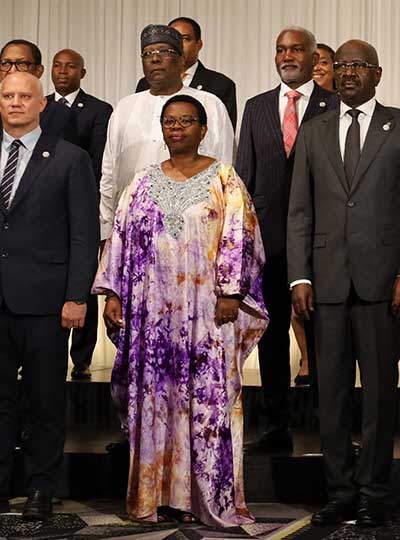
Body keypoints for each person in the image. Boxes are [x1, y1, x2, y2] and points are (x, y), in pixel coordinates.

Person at [93, 95, 266, 527]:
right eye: (170, 121)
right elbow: (119, 240)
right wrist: (113, 293)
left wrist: (231, 292)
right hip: (151, 318)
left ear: (203, 129)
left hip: (207, 313)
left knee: (207, 403)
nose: (177, 128)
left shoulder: (224, 179)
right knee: (156, 402)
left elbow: (240, 237)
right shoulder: (142, 182)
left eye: (187, 121)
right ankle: (159, 497)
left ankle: (204, 499)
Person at [288, 39, 400, 528]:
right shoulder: (314, 130)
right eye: (342, 65)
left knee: (379, 396)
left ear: (377, 74)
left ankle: (373, 491)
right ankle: (340, 490)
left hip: (384, 284)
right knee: (330, 396)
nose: (348, 73)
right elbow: (299, 210)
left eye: (358, 65)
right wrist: (300, 275)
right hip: (324, 283)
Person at [0, 72, 98, 520]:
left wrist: (77, 296)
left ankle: (42, 488)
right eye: (7, 95)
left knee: (44, 401)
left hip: (46, 303)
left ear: (42, 104)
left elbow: (83, 234)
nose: (15, 102)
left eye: (25, 96)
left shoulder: (70, 158)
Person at [236, 26, 337, 453]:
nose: (287, 56)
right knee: (272, 337)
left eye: (296, 49)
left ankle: (330, 429)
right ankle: (275, 425)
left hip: (323, 240)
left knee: (328, 338)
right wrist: (243, 243)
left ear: (314, 58)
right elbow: (244, 178)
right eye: (281, 49)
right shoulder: (256, 106)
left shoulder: (335, 105)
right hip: (270, 243)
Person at [100, 24, 233, 243]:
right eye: (147, 53)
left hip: (195, 233)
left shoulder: (210, 105)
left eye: (164, 51)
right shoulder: (125, 108)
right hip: (134, 231)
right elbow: (109, 175)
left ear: (181, 59)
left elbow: (225, 172)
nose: (155, 58)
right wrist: (106, 231)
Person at [46, 48, 113, 381]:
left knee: (84, 279)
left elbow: (99, 161)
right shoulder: (39, 105)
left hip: (82, 200)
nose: (63, 71)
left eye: (70, 66)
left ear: (82, 73)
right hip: (43, 207)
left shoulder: (99, 109)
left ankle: (83, 357)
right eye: (57, 66)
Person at [135, 17, 237, 127]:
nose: (178, 44)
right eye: (172, 39)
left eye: (184, 39)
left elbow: (223, 131)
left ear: (199, 44)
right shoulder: (145, 84)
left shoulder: (220, 84)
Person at [1, 40, 72, 137]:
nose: (12, 70)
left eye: (22, 64)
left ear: (39, 71)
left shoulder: (60, 114)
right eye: (5, 63)